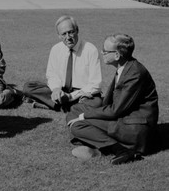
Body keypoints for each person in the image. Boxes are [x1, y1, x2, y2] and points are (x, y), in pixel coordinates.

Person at [67, 34, 158, 165]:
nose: (101, 52)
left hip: (134, 128)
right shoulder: (126, 67)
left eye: (105, 50)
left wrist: (84, 116)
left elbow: (116, 110)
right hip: (125, 116)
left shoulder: (135, 74)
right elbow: (119, 100)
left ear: (116, 55)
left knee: (77, 124)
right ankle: (96, 142)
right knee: (75, 109)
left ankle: (121, 150)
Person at [23, 15, 102, 112]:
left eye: (71, 32)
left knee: (97, 102)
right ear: (59, 36)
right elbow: (52, 75)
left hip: (81, 93)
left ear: (77, 30)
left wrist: (70, 96)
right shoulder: (56, 49)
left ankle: (56, 105)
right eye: (64, 34)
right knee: (28, 87)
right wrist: (56, 89)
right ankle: (68, 106)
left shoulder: (90, 49)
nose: (68, 37)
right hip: (62, 90)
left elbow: (95, 84)